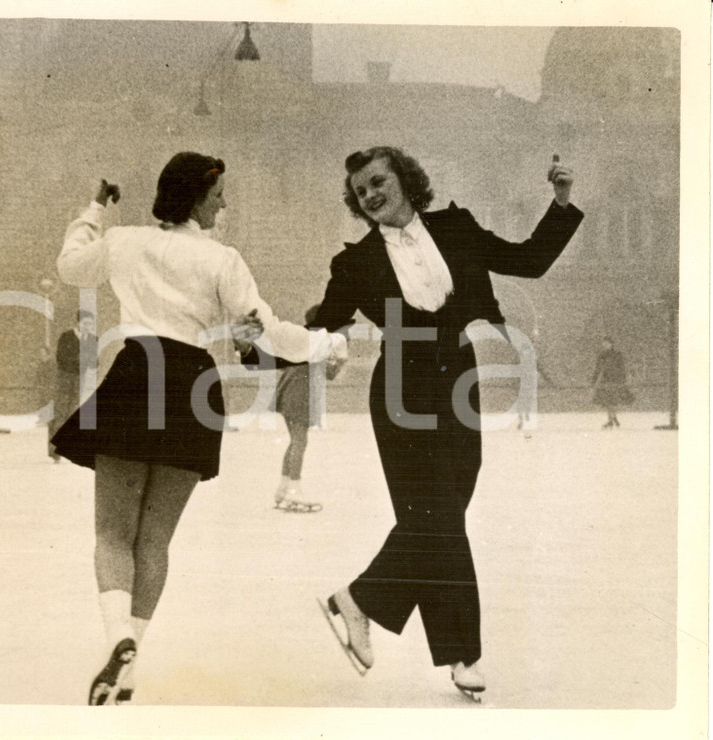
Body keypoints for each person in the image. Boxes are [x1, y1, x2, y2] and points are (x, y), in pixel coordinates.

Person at [52, 152, 347, 705]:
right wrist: (328, 343)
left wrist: (94, 209)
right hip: (193, 384)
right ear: (193, 199)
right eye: (218, 197)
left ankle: (119, 639)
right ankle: (131, 660)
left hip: (136, 372)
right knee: (155, 540)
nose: (225, 205)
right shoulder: (223, 261)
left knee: (113, 533)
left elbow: (71, 265)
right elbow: (270, 333)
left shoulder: (125, 242)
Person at [301, 147, 582, 698]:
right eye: (361, 192)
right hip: (401, 386)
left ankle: (359, 600)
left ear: (405, 180)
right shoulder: (355, 263)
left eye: (379, 181)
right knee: (437, 517)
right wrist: (257, 347)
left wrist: (562, 203)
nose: (372, 195)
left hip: (458, 379)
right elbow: (321, 326)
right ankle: (461, 655)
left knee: (444, 513)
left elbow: (529, 260)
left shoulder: (455, 227)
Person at [273, 303, 329, 513]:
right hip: (299, 397)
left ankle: (283, 488)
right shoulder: (318, 343)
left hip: (288, 395)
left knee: (295, 441)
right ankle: (293, 490)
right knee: (299, 442)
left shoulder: (302, 339)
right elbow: (330, 373)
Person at [48, 310, 97, 462]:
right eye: (85, 323)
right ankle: (54, 450)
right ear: (78, 323)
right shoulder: (66, 336)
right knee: (61, 412)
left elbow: (95, 361)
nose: (88, 327)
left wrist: (89, 362)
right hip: (65, 377)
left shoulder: (93, 339)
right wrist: (79, 360)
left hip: (79, 379)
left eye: (90, 324)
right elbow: (61, 358)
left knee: (72, 413)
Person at [591, 336, 633, 429]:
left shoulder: (617, 354)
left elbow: (622, 367)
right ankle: (613, 418)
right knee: (607, 400)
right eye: (604, 343)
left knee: (612, 400)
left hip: (615, 379)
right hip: (606, 379)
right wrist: (594, 379)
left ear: (611, 344)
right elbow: (597, 369)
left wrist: (623, 379)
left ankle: (612, 419)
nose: (605, 345)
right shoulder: (601, 355)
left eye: (607, 343)